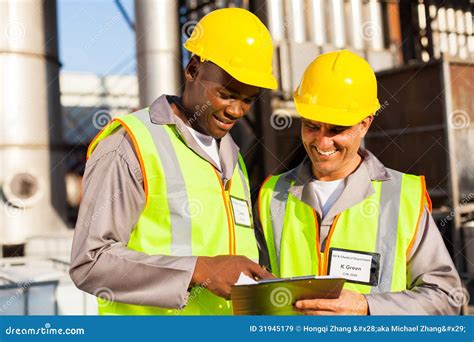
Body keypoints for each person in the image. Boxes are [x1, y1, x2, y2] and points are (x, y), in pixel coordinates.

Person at [69, 8, 276, 315]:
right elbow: (90, 262)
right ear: (192, 70)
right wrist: (199, 271)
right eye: (227, 94)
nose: (237, 110)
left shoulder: (232, 157)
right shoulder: (130, 144)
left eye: (248, 99)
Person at [257, 50, 462, 315]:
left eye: (336, 130)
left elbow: (447, 298)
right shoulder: (270, 195)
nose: (321, 142)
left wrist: (368, 307)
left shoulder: (401, 197)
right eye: (311, 126)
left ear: (364, 124)